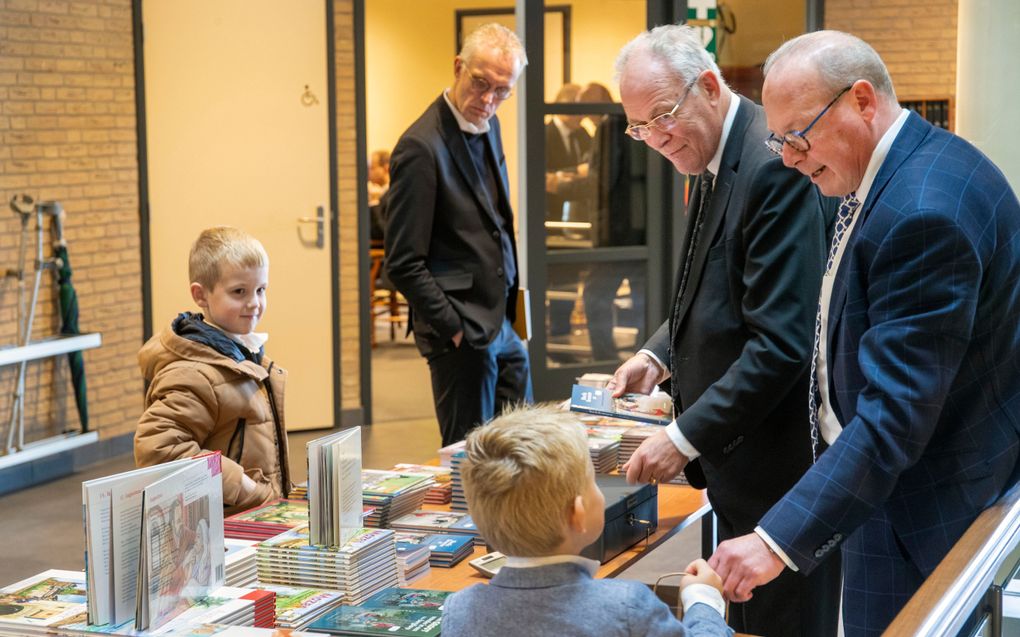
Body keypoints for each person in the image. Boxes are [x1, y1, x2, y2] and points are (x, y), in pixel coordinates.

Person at [708, 30, 1020, 637]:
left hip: (923, 511)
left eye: (799, 135)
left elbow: (893, 418)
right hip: (905, 486)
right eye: (778, 140)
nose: (788, 157)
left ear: (861, 101)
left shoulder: (923, 213)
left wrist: (775, 542)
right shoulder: (907, 168)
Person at [609, 25, 840, 637]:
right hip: (741, 466)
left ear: (708, 86)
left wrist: (682, 437)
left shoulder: (770, 165)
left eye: (661, 116)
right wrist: (658, 355)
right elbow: (714, 286)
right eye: (638, 127)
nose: (654, 138)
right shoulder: (711, 153)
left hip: (778, 469)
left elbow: (782, 344)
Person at [441, 405, 733, 637]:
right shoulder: (628, 606)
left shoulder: (460, 609)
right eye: (594, 481)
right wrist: (704, 598)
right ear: (578, 514)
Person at [383, 23, 532, 446]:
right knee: (471, 461)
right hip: (461, 331)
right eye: (480, 83)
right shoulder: (420, 147)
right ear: (457, 68)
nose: (488, 100)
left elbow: (496, 224)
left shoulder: (491, 125)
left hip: (504, 321)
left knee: (523, 446)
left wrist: (515, 319)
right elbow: (403, 262)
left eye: (502, 91)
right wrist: (454, 328)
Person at [134, 226, 290, 516]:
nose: (254, 302)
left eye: (260, 289)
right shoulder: (194, 374)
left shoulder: (242, 354)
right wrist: (243, 486)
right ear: (201, 295)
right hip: (223, 529)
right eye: (239, 292)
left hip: (254, 518)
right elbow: (159, 450)